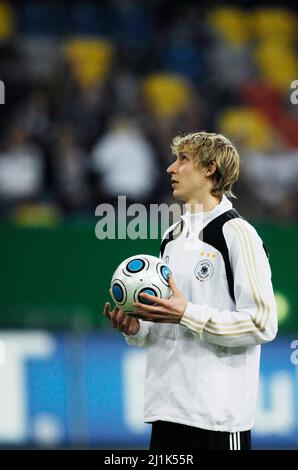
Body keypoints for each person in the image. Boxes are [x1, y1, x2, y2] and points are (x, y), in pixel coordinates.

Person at [103, 131, 278, 451]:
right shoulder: (172, 236)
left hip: (216, 418)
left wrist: (187, 313)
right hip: (166, 412)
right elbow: (170, 324)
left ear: (210, 169)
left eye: (183, 159)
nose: (171, 168)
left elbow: (262, 322)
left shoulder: (238, 234)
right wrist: (139, 329)